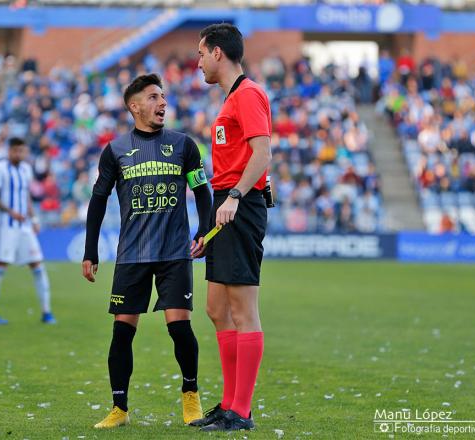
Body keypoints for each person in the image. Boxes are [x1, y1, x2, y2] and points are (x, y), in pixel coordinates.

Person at [82, 74, 212, 429]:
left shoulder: (184, 145)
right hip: (132, 254)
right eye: (154, 97)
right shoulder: (115, 150)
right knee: (122, 331)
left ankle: (191, 397)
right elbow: (97, 200)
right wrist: (90, 250)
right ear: (134, 106)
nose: (162, 103)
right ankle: (119, 409)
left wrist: (204, 229)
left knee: (179, 327)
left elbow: (202, 190)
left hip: (174, 252)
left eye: (164, 97)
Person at [191, 23, 272, 432]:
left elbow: (263, 154)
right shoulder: (232, 99)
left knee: (243, 310)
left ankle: (241, 411)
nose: (198, 61)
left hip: (239, 204)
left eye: (201, 53)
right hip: (226, 205)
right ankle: (229, 404)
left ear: (218, 53)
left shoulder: (249, 94)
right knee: (216, 308)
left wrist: (237, 197)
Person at [0, 137, 56, 325]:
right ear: (9, 151)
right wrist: (10, 212)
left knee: (38, 266)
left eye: (22, 151)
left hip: (24, 226)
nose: (19, 154)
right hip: (6, 225)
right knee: (0, 265)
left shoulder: (26, 169)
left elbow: (26, 197)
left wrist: (33, 219)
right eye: (16, 151)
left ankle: (46, 312)